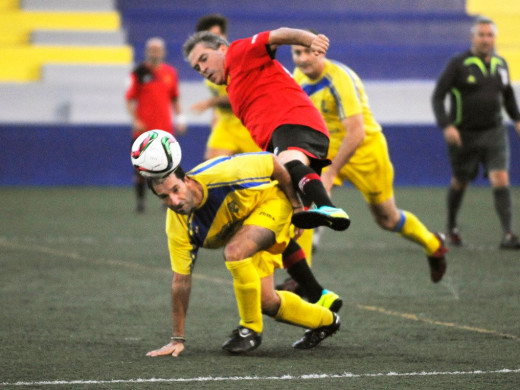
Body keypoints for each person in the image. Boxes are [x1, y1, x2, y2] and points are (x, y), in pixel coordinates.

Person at [143, 151, 340, 356]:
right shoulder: (177, 226)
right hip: (247, 233)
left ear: (187, 180)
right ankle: (327, 321)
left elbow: (272, 163)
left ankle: (250, 329)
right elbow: (180, 281)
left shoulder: (222, 173)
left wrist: (297, 206)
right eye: (164, 197)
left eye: (176, 189)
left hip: (272, 203)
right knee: (265, 301)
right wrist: (177, 338)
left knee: (235, 251)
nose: (174, 201)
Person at [287, 38, 448, 284]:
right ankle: (302, 279)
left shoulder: (339, 80)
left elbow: (356, 133)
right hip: (326, 152)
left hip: (364, 151)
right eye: (297, 52)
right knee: (306, 205)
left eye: (308, 51)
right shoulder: (298, 77)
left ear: (320, 51)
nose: (303, 58)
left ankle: (433, 244)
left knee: (387, 218)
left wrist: (330, 174)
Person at [181, 28, 350, 232]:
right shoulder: (234, 82)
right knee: (285, 187)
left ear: (222, 48)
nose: (203, 68)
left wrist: (311, 40)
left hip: (292, 120)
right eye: (197, 67)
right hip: (296, 130)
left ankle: (328, 208)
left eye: (204, 58)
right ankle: (307, 211)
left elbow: (278, 35)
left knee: (287, 164)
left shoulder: (237, 52)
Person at [432, 16, 520, 249]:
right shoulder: (458, 64)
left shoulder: (501, 65)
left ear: (494, 38)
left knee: (500, 177)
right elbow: (438, 96)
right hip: (464, 135)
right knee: (460, 181)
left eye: (489, 35)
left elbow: (508, 95)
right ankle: (451, 227)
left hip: (494, 131)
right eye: (481, 35)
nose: (485, 39)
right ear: (473, 38)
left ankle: (508, 234)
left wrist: (517, 118)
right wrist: (447, 125)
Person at [125, 37, 187, 213]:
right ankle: (140, 202)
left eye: (157, 50)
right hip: (143, 132)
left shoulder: (170, 73)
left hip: (165, 130)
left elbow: (174, 98)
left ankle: (168, 201)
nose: (155, 53)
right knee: (141, 169)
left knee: (169, 168)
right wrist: (135, 119)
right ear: (147, 52)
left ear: (163, 52)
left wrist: (180, 117)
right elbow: (129, 99)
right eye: (152, 50)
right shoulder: (138, 72)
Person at [190, 14, 261, 160]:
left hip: (248, 126)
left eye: (219, 34)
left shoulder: (237, 59)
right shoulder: (206, 63)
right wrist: (215, 116)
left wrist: (210, 103)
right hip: (226, 126)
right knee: (210, 172)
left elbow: (240, 96)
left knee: (266, 175)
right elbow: (217, 93)